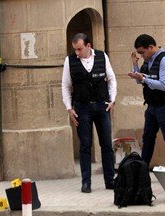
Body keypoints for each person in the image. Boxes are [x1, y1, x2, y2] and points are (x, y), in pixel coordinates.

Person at [62, 33, 116, 193]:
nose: (77, 53)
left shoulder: (101, 56)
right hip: (82, 107)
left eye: (79, 49)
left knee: (106, 144)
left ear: (88, 46)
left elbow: (111, 79)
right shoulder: (69, 61)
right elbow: (65, 86)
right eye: (75, 50)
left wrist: (112, 100)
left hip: (101, 105)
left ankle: (110, 180)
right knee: (85, 146)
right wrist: (69, 108)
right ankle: (86, 183)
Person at [128, 34, 165, 167]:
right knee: (148, 138)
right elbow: (140, 81)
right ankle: (143, 169)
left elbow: (163, 85)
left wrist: (144, 79)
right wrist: (135, 66)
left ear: (150, 47)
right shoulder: (148, 60)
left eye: (142, 52)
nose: (141, 55)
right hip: (151, 106)